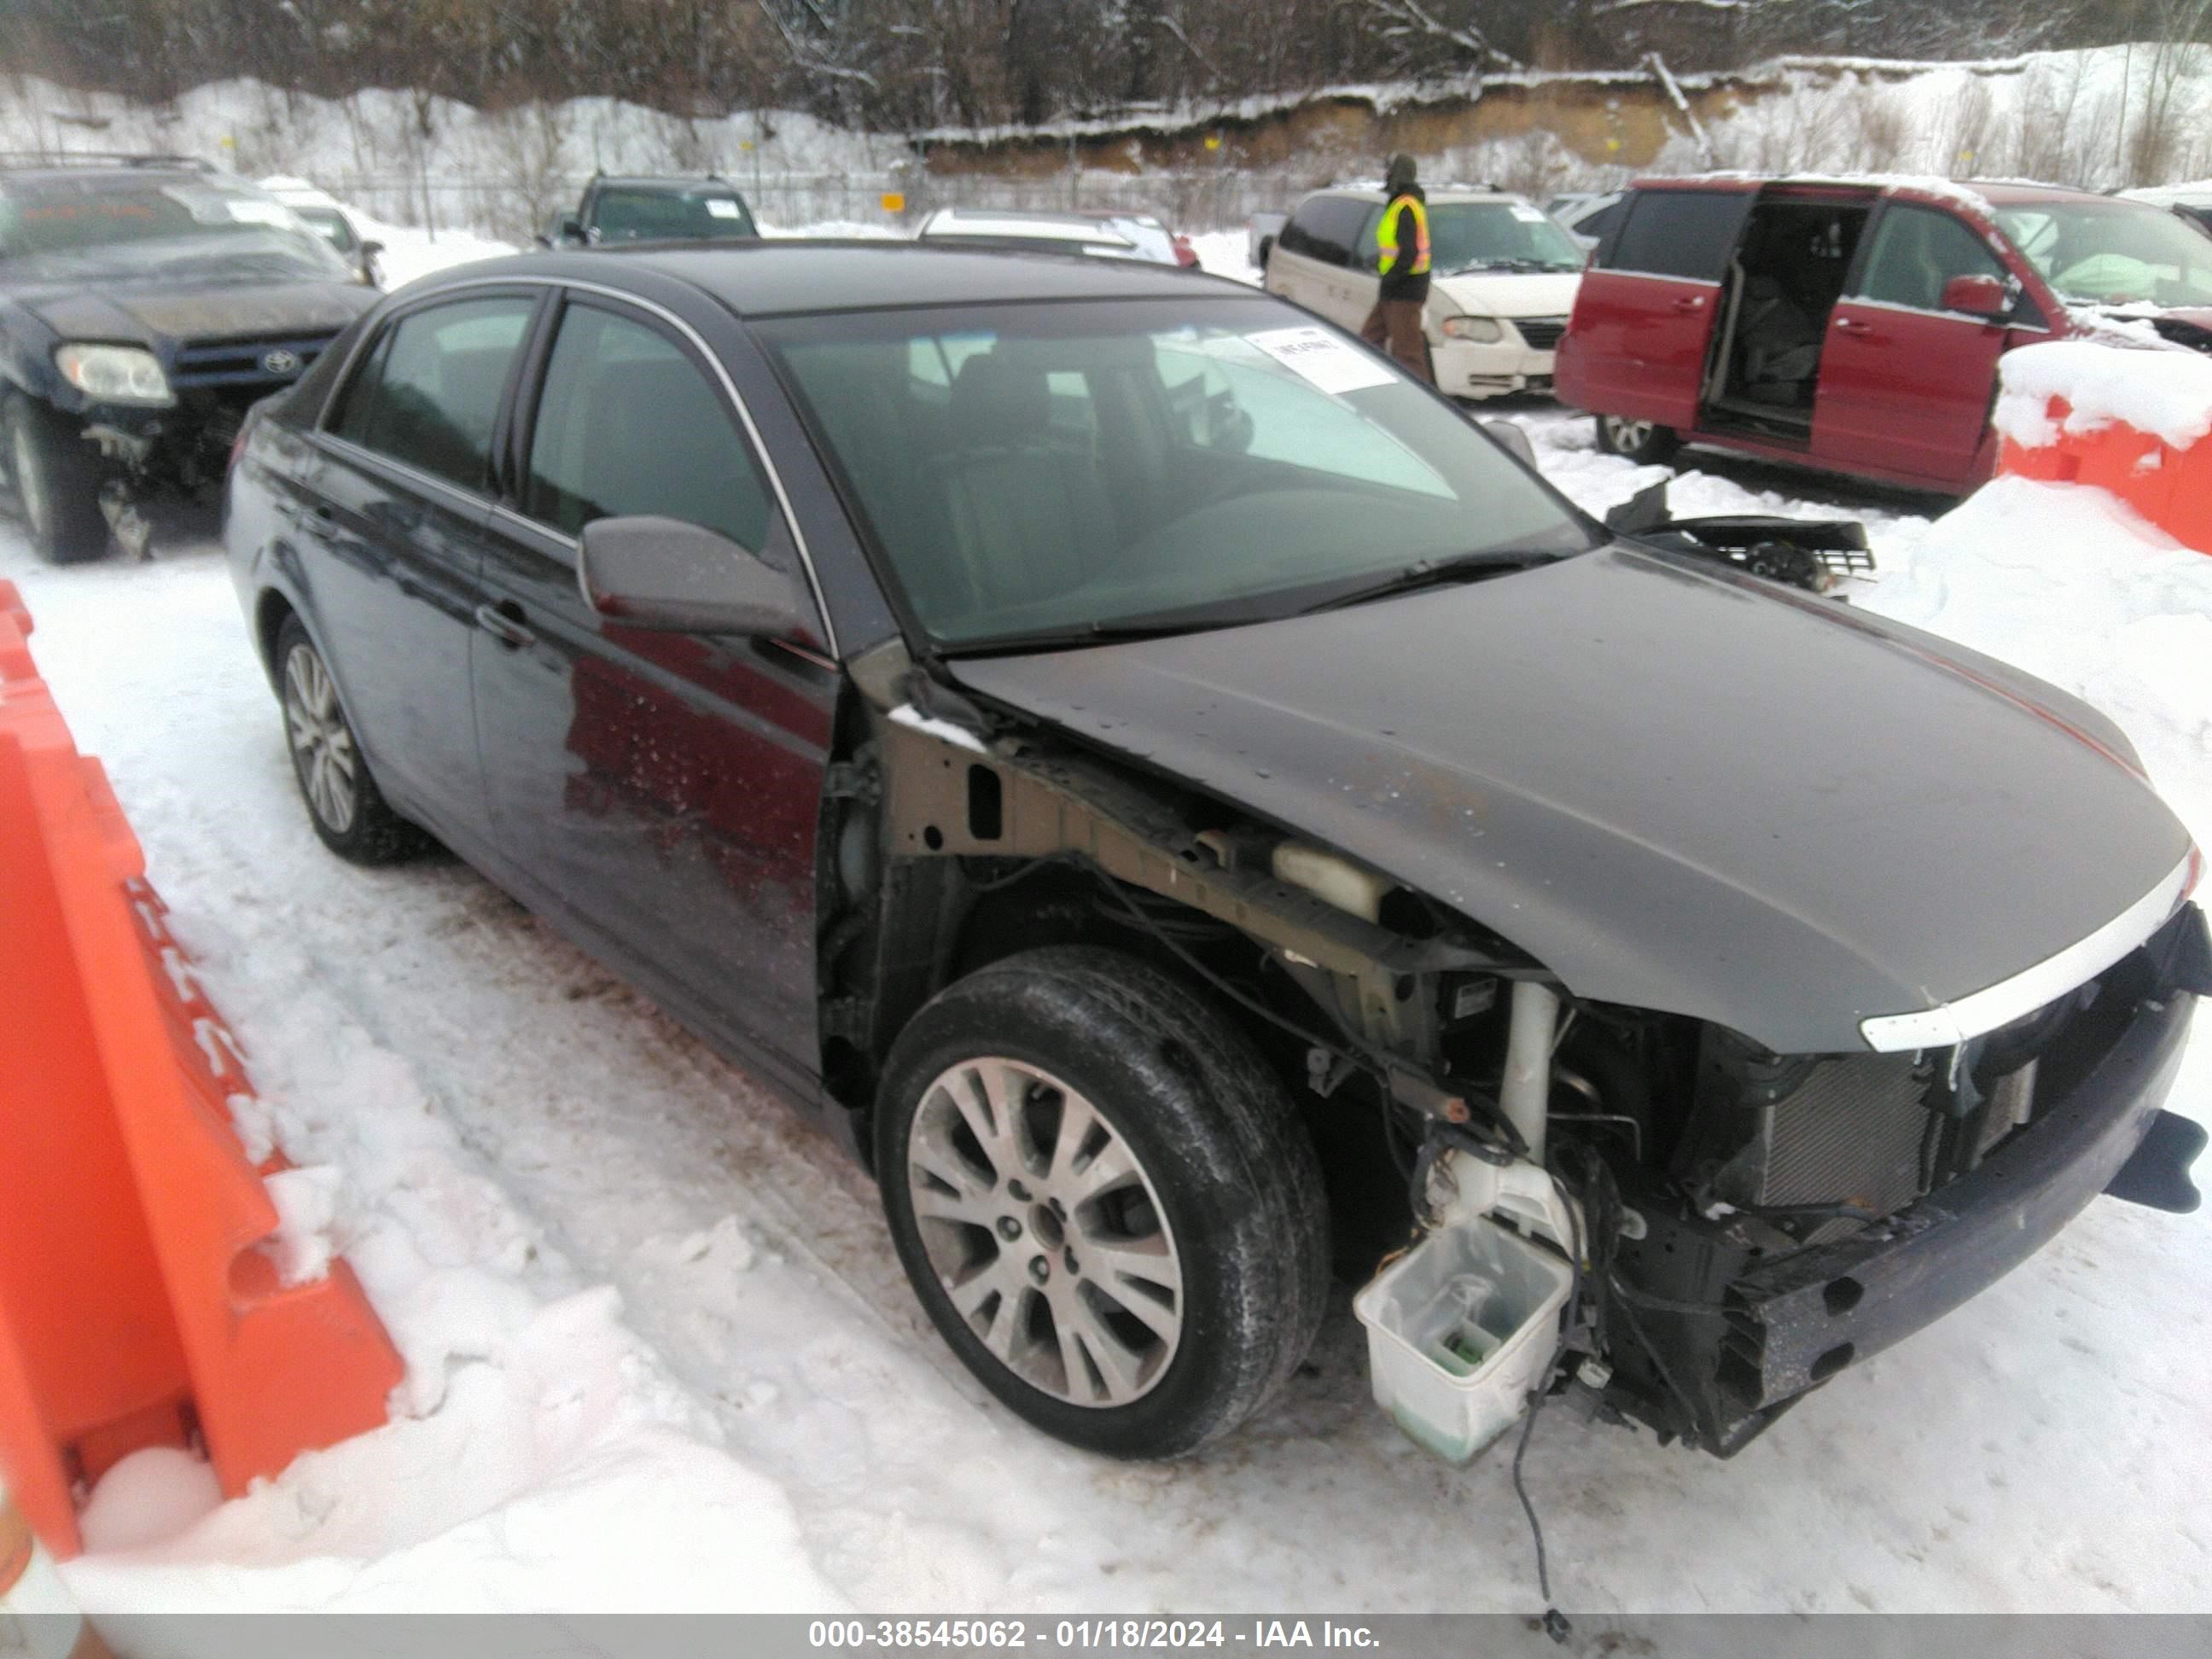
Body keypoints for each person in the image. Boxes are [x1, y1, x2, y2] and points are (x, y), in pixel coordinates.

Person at [1361, 154, 1433, 382]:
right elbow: (1395, 248)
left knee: (1408, 355)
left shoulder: (1406, 205)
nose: (1386, 175)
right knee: (1369, 339)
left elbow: (1409, 253)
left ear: (1398, 173)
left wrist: (1391, 277)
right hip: (1394, 287)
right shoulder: (1400, 203)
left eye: (1390, 171)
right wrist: (1379, 261)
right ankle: (1376, 386)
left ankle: (1421, 404)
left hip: (1405, 290)